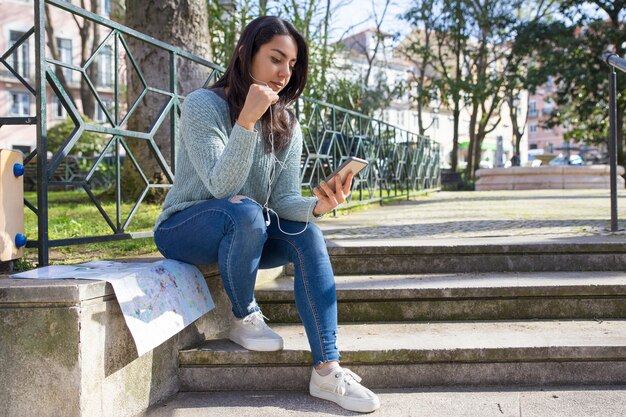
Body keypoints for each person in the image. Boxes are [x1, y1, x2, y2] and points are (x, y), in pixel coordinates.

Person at [153, 15, 380, 414]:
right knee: (243, 212)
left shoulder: (287, 123)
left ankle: (327, 369)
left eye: (291, 65)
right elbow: (221, 187)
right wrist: (246, 120)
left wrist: (316, 206)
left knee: (307, 234)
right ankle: (244, 315)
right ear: (246, 54)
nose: (283, 73)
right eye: (276, 59)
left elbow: (283, 199)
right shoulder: (203, 105)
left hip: (249, 227)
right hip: (185, 227)